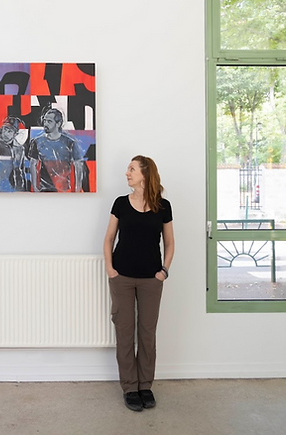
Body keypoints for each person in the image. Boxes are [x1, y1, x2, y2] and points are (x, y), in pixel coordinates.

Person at [103, 155, 175, 412]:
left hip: (151, 280)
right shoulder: (120, 204)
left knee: (147, 333)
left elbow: (169, 242)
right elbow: (109, 238)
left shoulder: (163, 206)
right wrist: (111, 270)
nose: (127, 173)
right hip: (121, 278)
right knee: (124, 334)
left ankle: (145, 386)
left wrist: (164, 271)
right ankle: (130, 388)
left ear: (145, 174)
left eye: (132, 169)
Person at [27, 108, 85, 192]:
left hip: (65, 191)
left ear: (58, 124)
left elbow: (79, 166)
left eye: (49, 121)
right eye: (45, 120)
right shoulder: (37, 142)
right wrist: (35, 188)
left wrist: (77, 190)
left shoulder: (70, 143)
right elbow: (33, 165)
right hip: (44, 191)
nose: (45, 124)